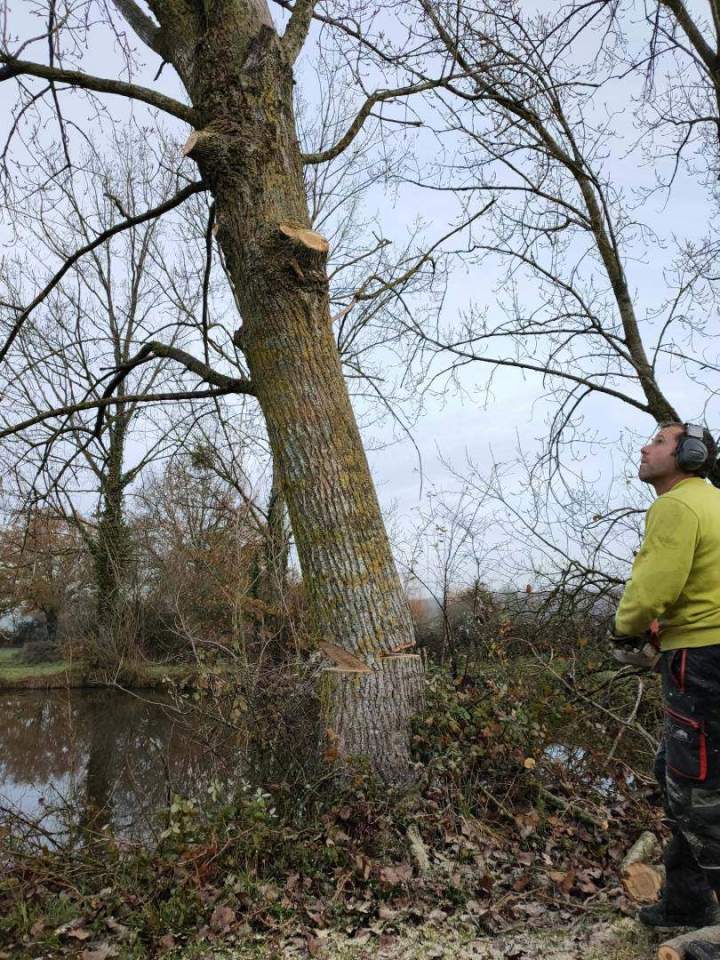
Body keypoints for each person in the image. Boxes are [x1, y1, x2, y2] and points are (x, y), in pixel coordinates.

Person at [614, 421, 720, 929]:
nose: (644, 446)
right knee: (677, 774)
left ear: (690, 454)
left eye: (658, 441)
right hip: (703, 652)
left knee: (697, 789)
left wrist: (624, 628)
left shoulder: (675, 505)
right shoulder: (713, 502)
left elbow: (653, 587)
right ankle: (685, 903)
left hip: (700, 658)